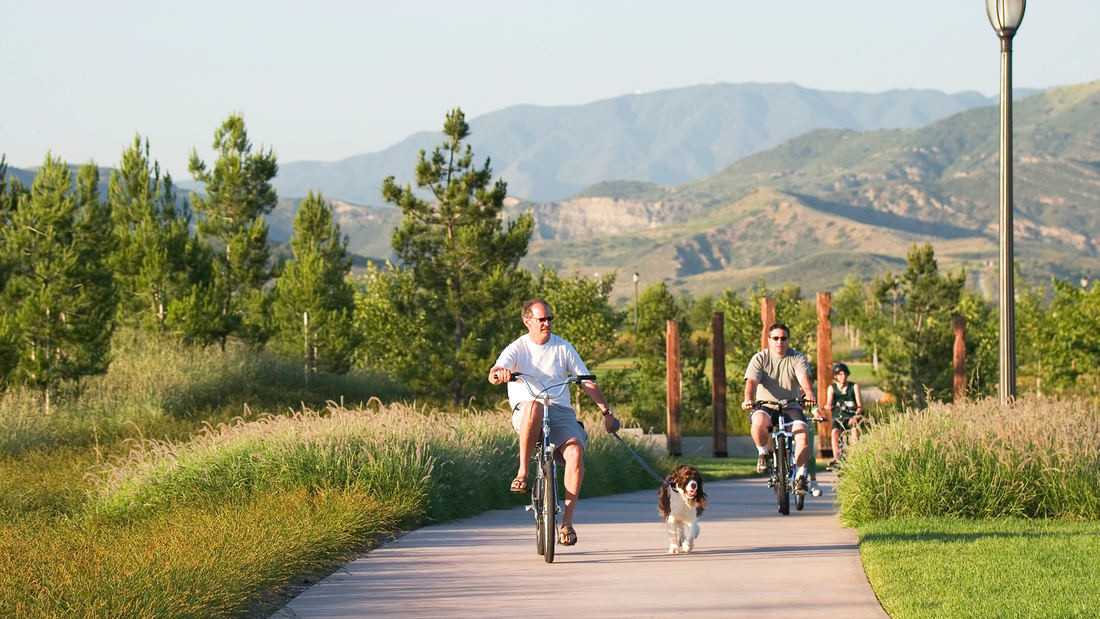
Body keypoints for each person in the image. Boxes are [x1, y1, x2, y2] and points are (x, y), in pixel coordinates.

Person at [488, 298, 620, 547]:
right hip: (527, 410)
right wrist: (500, 375)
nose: (547, 323)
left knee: (576, 451)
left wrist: (606, 413)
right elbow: (494, 372)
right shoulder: (517, 348)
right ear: (527, 321)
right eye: (541, 319)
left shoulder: (563, 348)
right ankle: (523, 471)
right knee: (534, 405)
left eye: (550, 319)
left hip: (559, 411)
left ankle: (567, 523)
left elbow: (586, 380)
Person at [740, 323, 817, 492]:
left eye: (783, 338)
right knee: (758, 423)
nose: (779, 342)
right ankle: (763, 452)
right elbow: (751, 383)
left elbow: (803, 378)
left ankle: (801, 475)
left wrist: (809, 393)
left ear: (788, 340)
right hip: (765, 405)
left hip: (791, 404)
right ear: (768, 340)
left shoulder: (796, 357)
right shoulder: (760, 358)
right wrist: (748, 399)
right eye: (775, 338)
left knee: (802, 434)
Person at [825, 362, 863, 468]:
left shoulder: (854, 387)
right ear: (836, 376)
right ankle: (836, 457)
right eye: (840, 374)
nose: (843, 376)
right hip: (838, 418)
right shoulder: (832, 388)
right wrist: (828, 406)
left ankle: (855, 457)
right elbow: (828, 403)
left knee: (854, 432)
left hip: (851, 417)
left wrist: (856, 416)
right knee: (834, 433)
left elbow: (860, 406)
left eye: (845, 374)